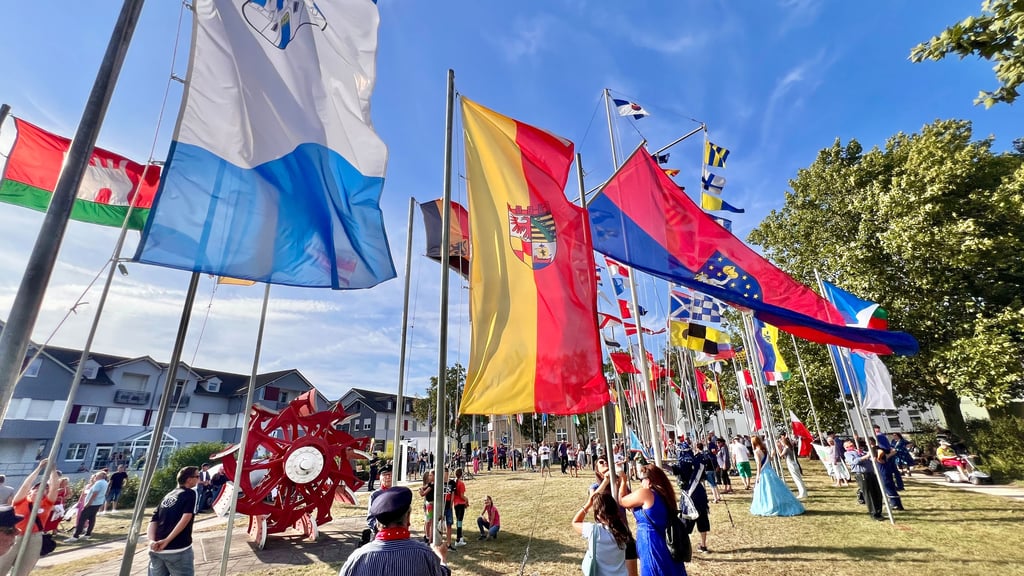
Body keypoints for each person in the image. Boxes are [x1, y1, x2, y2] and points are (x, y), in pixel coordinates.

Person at [338, 486, 450, 576]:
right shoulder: (425, 555)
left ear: (378, 523)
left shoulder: (357, 558)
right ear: (408, 518)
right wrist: (442, 559)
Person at [617, 465, 685, 576]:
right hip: (664, 543)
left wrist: (623, 481)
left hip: (651, 543)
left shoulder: (646, 493)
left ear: (648, 480)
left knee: (653, 570)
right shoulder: (664, 495)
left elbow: (622, 501)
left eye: (641, 480)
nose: (640, 483)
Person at [0, 459, 59, 576]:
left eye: (43, 489)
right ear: (30, 491)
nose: (39, 490)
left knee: (23, 570)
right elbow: (25, 485)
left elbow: (55, 487)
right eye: (36, 488)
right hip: (14, 534)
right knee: (2, 565)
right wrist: (39, 468)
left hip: (34, 537)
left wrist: (52, 469)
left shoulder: (46, 503)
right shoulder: (20, 501)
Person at [147, 466, 200, 576]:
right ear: (189, 479)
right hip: (177, 549)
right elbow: (186, 518)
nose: (199, 479)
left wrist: (152, 541)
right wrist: (167, 541)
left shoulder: (168, 495)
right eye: (197, 476)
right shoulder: (190, 493)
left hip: (156, 550)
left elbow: (153, 520)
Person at [572, 481, 630, 576]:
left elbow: (575, 522)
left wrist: (588, 505)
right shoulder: (622, 528)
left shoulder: (593, 530)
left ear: (598, 515)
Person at [749, 436, 804, 517]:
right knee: (775, 489)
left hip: (763, 472)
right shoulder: (764, 450)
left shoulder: (756, 451)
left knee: (765, 490)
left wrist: (757, 475)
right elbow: (770, 459)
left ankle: (768, 505)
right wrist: (772, 454)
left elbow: (759, 464)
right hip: (770, 471)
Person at [674, 443, 712, 554]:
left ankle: (684, 548)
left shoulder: (681, 463)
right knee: (702, 520)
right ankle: (703, 545)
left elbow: (673, 470)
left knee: (685, 522)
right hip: (700, 493)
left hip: (689, 495)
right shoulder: (697, 460)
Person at [844, 440, 883, 521]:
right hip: (861, 474)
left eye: (852, 445)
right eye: (849, 446)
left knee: (877, 492)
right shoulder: (848, 453)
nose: (852, 446)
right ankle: (874, 514)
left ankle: (879, 512)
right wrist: (866, 456)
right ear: (846, 448)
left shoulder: (862, 451)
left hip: (871, 473)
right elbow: (854, 461)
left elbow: (871, 459)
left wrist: (873, 454)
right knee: (869, 494)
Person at [68, 470, 107, 541]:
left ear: (100, 476)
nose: (95, 476)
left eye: (96, 475)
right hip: (98, 503)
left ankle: (75, 536)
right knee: (92, 518)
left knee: (82, 518)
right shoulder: (105, 482)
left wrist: (88, 503)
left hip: (92, 503)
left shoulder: (98, 483)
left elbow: (94, 494)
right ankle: (88, 534)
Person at [360, 465, 394, 546]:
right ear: (380, 478)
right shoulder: (375, 495)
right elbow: (370, 518)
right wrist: (378, 528)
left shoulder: (398, 493)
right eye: (385, 475)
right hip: (380, 534)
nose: (388, 477)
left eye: (390, 475)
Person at [777, 434, 807, 499]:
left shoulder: (786, 448)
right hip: (794, 463)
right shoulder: (790, 447)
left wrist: (778, 448)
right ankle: (803, 492)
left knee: (797, 479)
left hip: (791, 464)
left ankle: (802, 493)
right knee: (799, 479)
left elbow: (781, 455)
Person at [451, 469, 469, 547]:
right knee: (460, 521)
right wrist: (466, 500)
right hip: (461, 504)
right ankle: (458, 538)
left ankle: (460, 536)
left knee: (458, 521)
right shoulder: (461, 483)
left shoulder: (454, 482)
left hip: (455, 504)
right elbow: (461, 495)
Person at [418, 471, 435, 545]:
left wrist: (421, 491)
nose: (429, 477)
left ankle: (430, 537)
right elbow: (422, 488)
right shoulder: (429, 484)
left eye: (431, 475)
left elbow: (423, 493)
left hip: (431, 504)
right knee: (428, 520)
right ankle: (427, 536)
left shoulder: (432, 486)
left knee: (430, 521)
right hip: (428, 504)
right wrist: (421, 489)